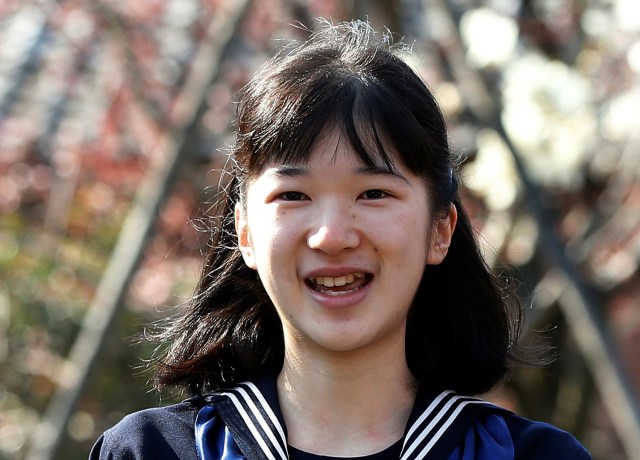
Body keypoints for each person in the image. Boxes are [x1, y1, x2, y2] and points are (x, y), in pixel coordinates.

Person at [90, 19, 590, 460]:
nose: (331, 237)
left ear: (441, 231)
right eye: (294, 195)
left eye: (373, 192)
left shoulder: (528, 455)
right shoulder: (155, 451)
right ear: (244, 232)